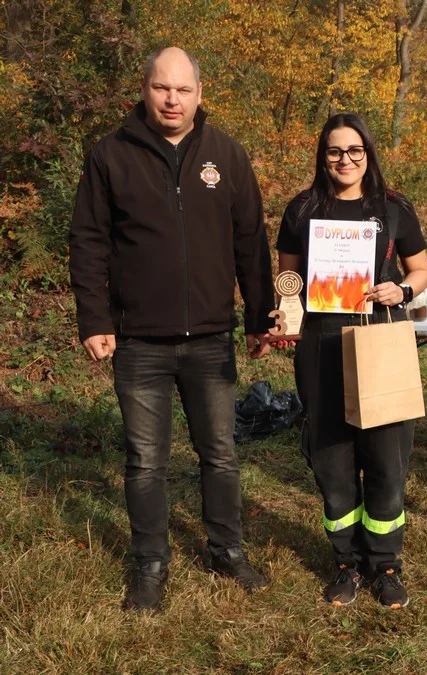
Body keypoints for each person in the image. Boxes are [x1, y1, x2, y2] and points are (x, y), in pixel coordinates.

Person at [69, 47, 274, 613]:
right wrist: (95, 318)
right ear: (145, 89)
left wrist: (260, 317)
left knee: (221, 454)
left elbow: (250, 242)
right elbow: (88, 241)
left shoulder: (226, 155)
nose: (171, 99)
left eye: (183, 90)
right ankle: (150, 564)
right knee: (145, 461)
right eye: (162, 88)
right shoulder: (111, 154)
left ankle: (226, 549)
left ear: (200, 94)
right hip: (138, 341)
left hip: (211, 338)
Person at [276, 113, 427, 608]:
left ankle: (385, 564)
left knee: (386, 457)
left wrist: (401, 288)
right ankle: (346, 562)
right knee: (331, 457)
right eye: (335, 151)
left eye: (355, 151)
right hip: (321, 344)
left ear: (368, 154)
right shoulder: (301, 210)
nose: (345, 160)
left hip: (381, 337)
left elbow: (421, 270)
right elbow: (289, 281)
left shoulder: (393, 208)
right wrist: (283, 316)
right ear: (322, 156)